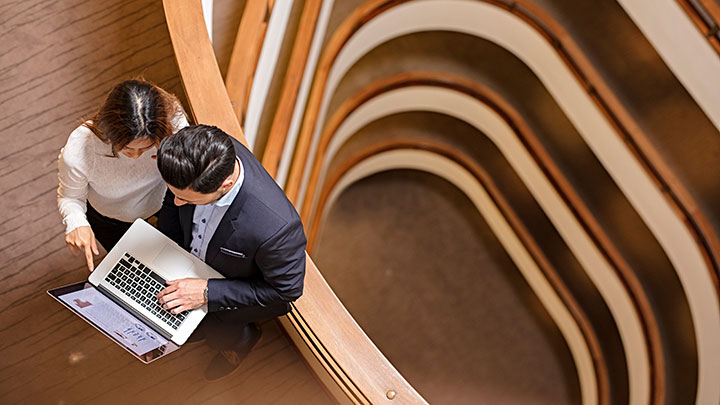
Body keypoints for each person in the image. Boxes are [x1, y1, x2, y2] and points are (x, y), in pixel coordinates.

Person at [154, 124, 306, 380]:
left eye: (188, 199)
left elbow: (287, 290)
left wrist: (206, 292)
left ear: (226, 184)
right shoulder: (201, 153)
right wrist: (170, 249)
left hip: (231, 289)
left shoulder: (277, 228)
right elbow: (172, 204)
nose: (176, 202)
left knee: (218, 333)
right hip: (193, 262)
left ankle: (243, 340)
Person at [57, 79, 188, 271]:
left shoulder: (174, 123)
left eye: (146, 148)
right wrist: (76, 222)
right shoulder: (80, 150)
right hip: (109, 217)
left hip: (165, 201)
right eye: (127, 148)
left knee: (177, 257)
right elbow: (70, 196)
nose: (135, 156)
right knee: (131, 268)